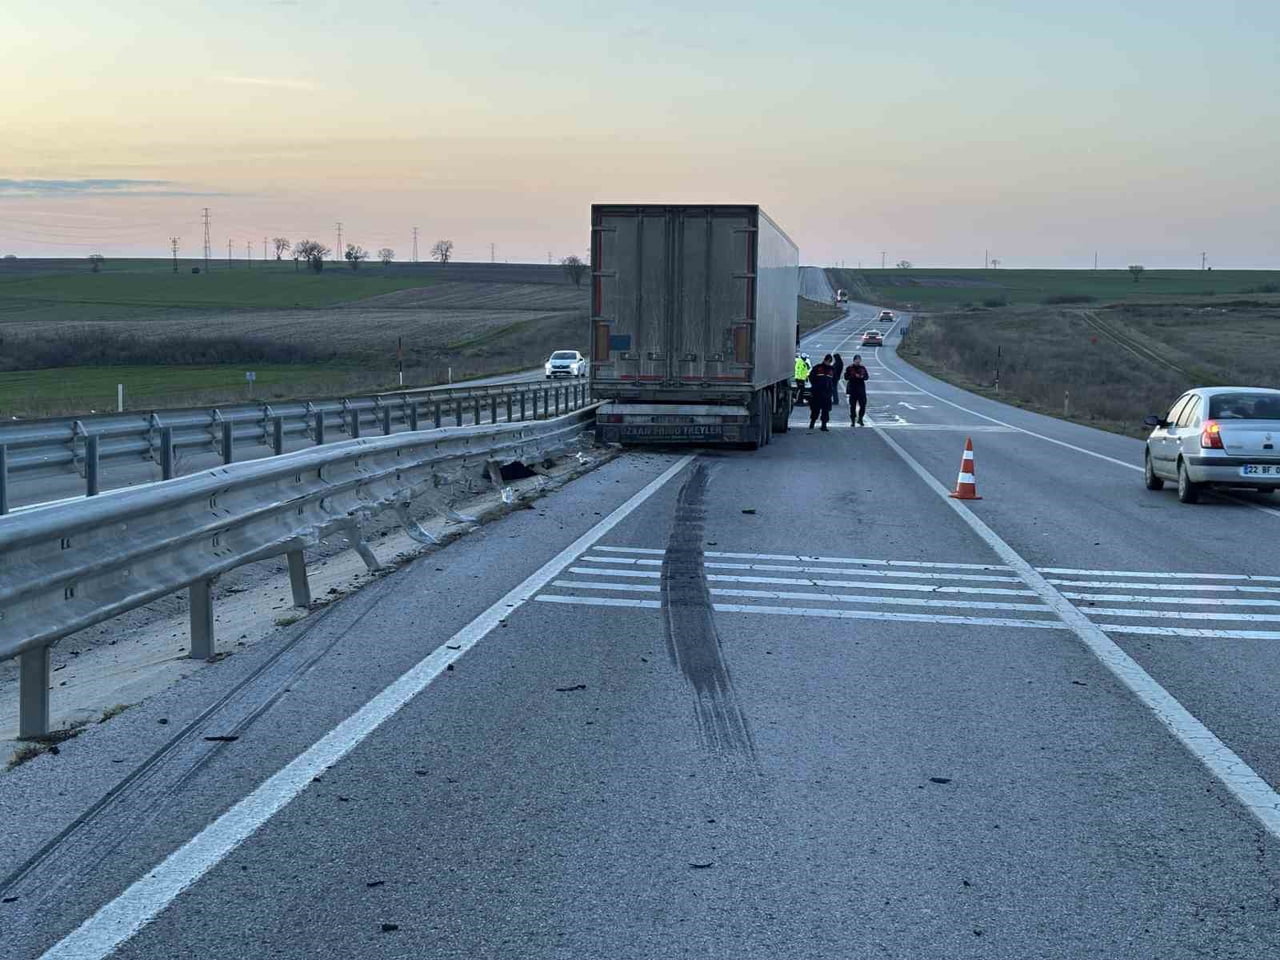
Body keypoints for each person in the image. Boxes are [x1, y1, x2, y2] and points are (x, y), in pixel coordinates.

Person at [807, 353, 836, 431]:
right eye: (828, 361)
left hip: (827, 393)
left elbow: (834, 379)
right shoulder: (818, 367)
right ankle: (812, 423)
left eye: (830, 362)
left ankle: (824, 425)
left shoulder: (831, 370)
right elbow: (811, 377)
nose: (828, 363)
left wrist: (831, 388)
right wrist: (816, 385)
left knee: (826, 410)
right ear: (825, 360)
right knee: (815, 409)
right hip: (817, 392)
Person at [844, 353, 869, 426]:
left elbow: (867, 377)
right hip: (853, 389)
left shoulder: (862, 368)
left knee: (863, 405)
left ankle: (860, 418)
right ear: (854, 361)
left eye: (859, 361)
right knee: (852, 406)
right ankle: (852, 420)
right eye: (856, 361)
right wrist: (853, 376)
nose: (858, 362)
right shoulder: (849, 368)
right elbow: (846, 377)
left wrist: (862, 377)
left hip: (861, 389)